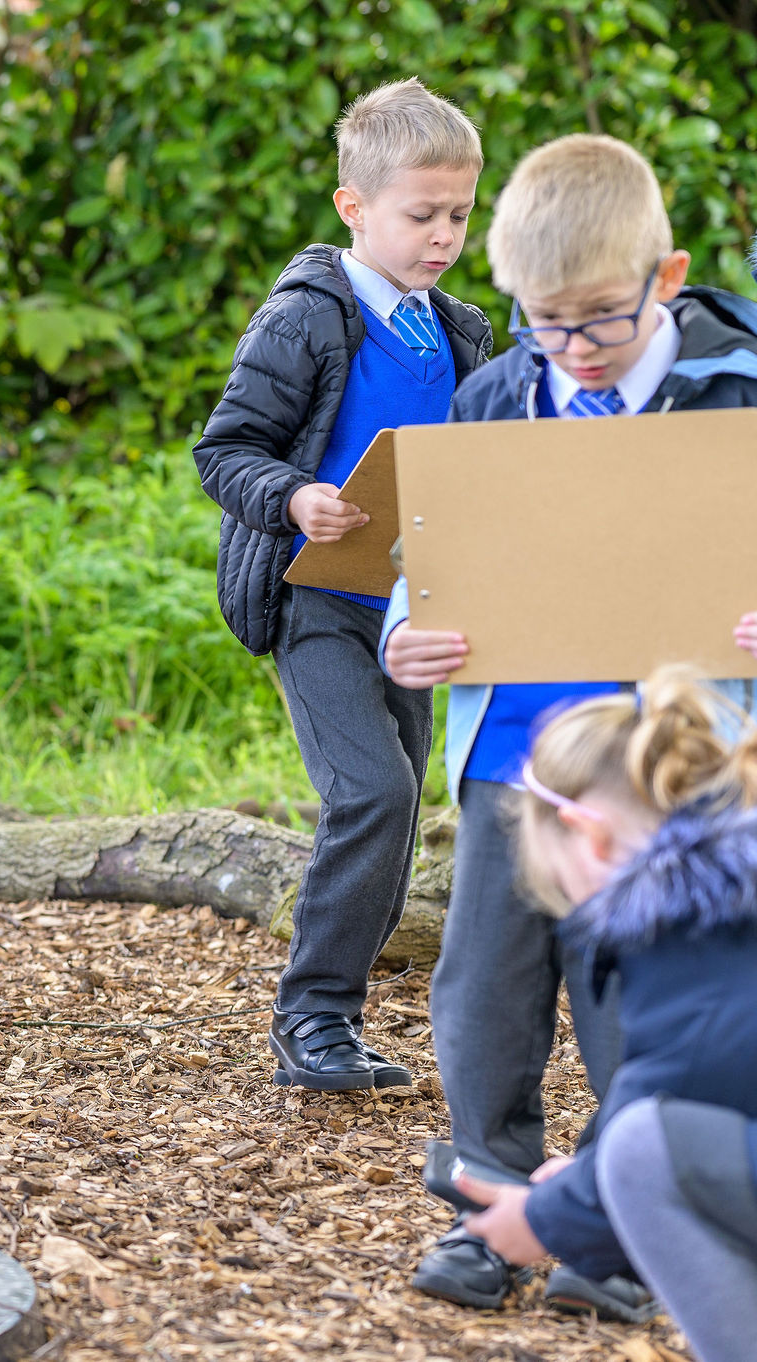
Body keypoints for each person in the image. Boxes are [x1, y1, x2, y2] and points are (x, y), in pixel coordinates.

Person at [381, 133, 757, 1315]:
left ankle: (614, 1238)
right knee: (483, 994)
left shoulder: (735, 391)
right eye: (543, 322)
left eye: (595, 320)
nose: (571, 350)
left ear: (664, 275)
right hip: (510, 752)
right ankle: (491, 1219)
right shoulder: (498, 390)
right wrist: (406, 629)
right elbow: (434, 556)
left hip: (662, 761)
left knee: (638, 1009)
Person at [191, 78, 489, 1091]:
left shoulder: (457, 329)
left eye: (457, 213)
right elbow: (224, 451)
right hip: (312, 598)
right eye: (421, 214)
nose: (442, 235)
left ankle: (338, 1021)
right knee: (371, 790)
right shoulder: (304, 318)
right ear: (353, 208)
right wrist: (294, 498)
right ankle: (307, 1017)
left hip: (412, 608)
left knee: (398, 812)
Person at [452, 669, 757, 1362]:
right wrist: (588, 1188)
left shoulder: (689, 940)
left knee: (640, 1149)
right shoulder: (731, 890)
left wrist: (541, 1220)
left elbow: (662, 1126)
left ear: (586, 836)